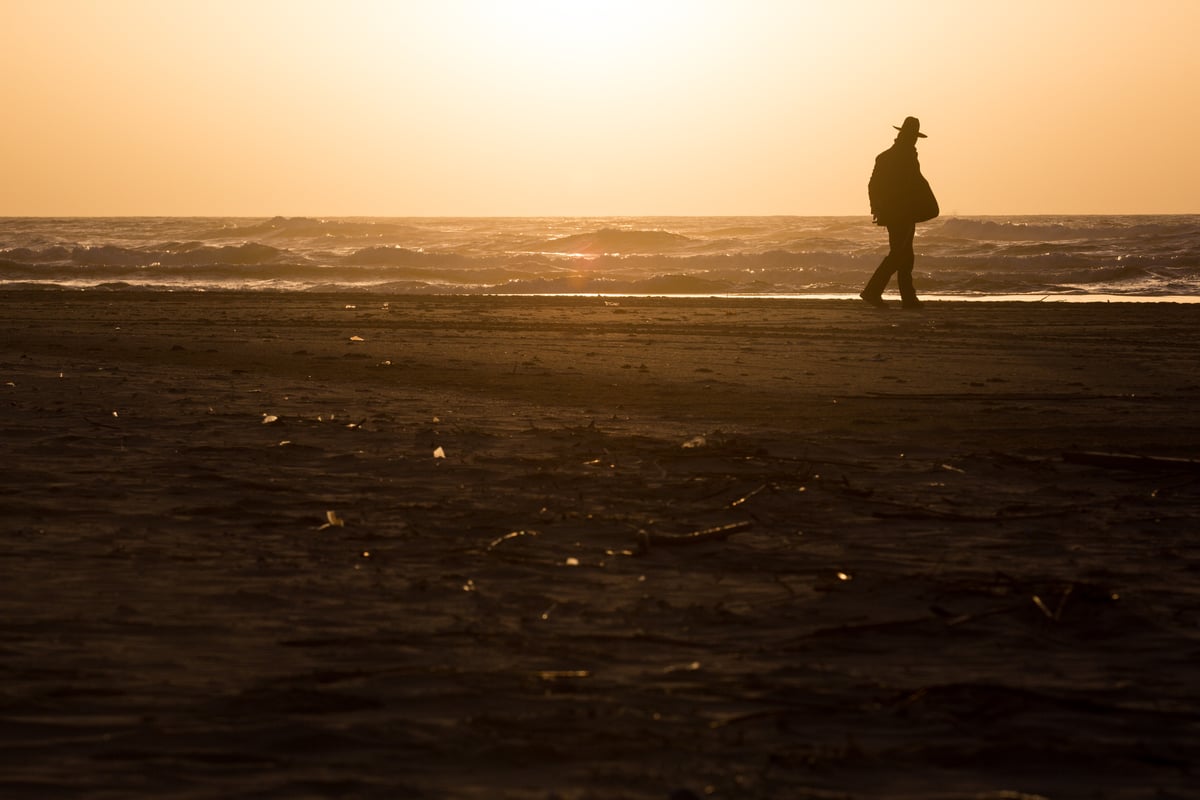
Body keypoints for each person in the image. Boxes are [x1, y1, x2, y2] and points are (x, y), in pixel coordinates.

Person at [860, 116, 939, 309]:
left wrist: (876, 207)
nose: (914, 141)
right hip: (902, 213)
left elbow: (873, 185)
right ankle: (873, 291)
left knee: (905, 255)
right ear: (906, 136)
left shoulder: (886, 156)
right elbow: (912, 184)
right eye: (912, 136)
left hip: (895, 213)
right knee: (898, 254)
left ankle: (908, 298)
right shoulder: (906, 156)